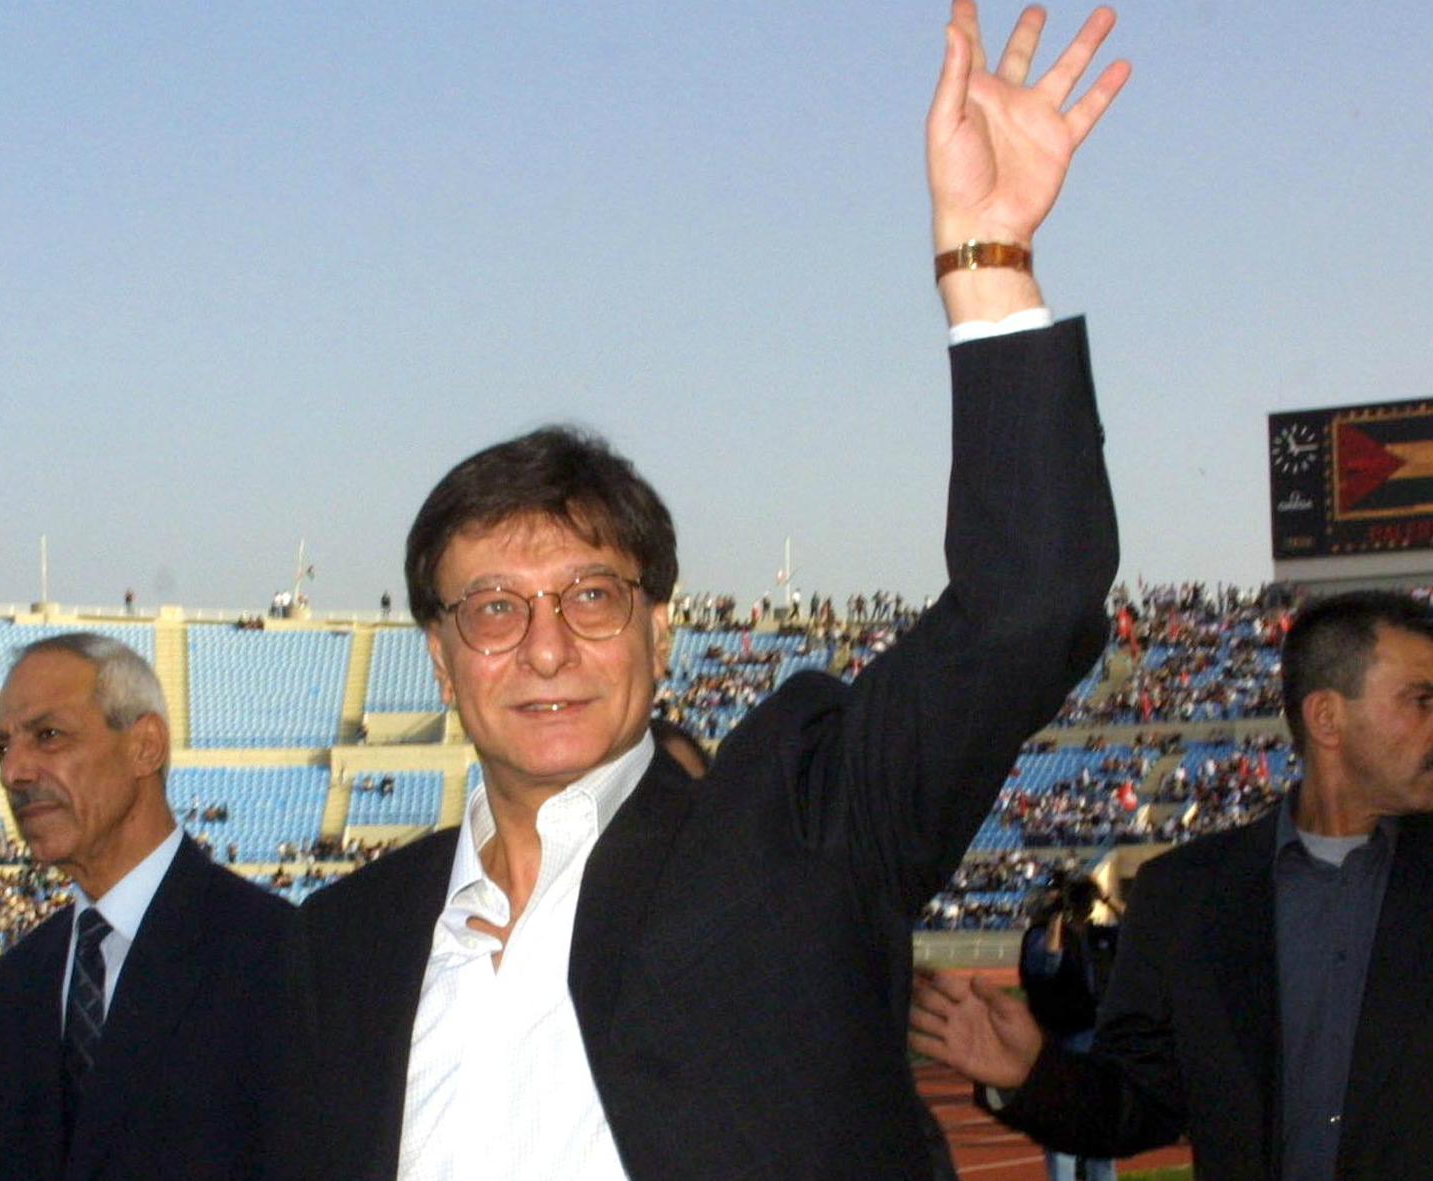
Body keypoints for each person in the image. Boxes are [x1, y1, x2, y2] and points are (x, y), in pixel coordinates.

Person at [301, 4, 1124, 1178]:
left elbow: (1030, 602)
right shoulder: (347, 937)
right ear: (438, 652)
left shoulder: (796, 836)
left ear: (658, 622)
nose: (544, 646)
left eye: (590, 594)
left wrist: (984, 260)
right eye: (493, 606)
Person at [910, 590, 1433, 1180]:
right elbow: (1137, 1103)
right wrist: (1029, 1074)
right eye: (1423, 699)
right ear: (1327, 718)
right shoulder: (1183, 896)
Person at [0, 633, 307, 1181]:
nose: (14, 771)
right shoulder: (16, 984)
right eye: (3, 747)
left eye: (48, 736)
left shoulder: (275, 957)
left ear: (144, 746)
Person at [1017, 873, 1120, 1181]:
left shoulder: (1096, 934)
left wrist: (1105, 898)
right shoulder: (1039, 935)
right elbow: (1048, 963)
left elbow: (1138, 931)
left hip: (1098, 1040)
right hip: (1062, 1039)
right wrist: (1057, 914)